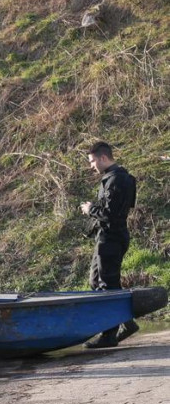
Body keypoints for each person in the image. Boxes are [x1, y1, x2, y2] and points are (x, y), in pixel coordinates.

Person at [79, 141, 138, 349]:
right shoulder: (120, 177)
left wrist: (90, 209)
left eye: (92, 161)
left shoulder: (116, 179)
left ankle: (109, 334)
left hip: (112, 238)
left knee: (106, 285)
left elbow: (110, 214)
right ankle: (125, 322)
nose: (91, 166)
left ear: (103, 158)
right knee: (97, 281)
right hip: (110, 236)